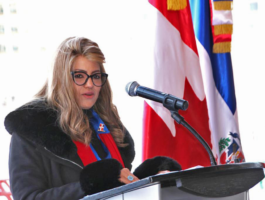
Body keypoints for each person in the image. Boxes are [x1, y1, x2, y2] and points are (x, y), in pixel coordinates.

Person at [4, 37, 181, 200]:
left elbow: (117, 182)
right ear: (62, 79)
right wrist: (88, 185)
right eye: (79, 76)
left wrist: (147, 176)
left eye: (96, 76)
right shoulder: (31, 128)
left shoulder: (106, 120)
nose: (90, 84)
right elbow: (28, 197)